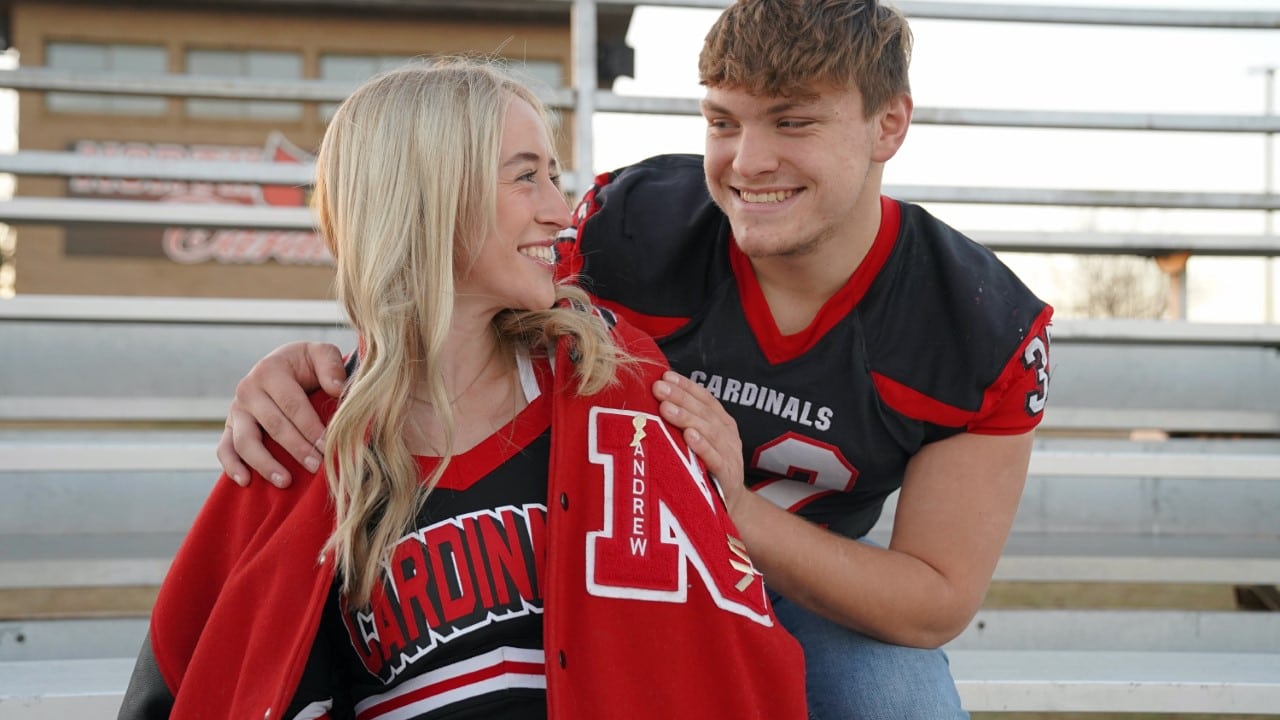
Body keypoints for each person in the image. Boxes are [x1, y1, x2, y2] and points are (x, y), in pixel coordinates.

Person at [219, 1, 1053, 717]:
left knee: (894, 692)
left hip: (803, 589)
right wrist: (324, 365)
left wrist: (734, 510)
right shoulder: (631, 222)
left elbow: (935, 599)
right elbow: (464, 289)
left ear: (888, 125)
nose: (748, 162)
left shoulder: (979, 324)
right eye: (723, 122)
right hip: (608, 560)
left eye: (793, 121)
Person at [119, 60, 807, 720]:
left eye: (554, 177)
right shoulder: (303, 436)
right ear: (430, 195)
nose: (561, 211)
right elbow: (188, 673)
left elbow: (734, 658)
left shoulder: (617, 389)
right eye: (526, 178)